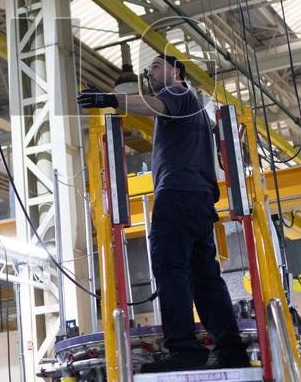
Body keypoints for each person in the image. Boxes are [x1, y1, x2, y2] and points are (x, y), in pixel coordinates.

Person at [76, 54, 249, 373]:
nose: (150, 73)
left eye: (157, 66)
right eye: (150, 69)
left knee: (170, 268)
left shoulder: (178, 93)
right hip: (200, 199)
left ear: (176, 71)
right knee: (205, 277)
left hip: (177, 194)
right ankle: (230, 348)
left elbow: (155, 106)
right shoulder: (195, 108)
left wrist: (111, 98)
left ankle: (184, 348)